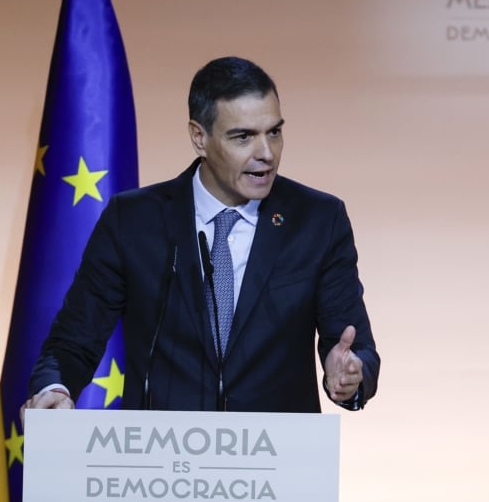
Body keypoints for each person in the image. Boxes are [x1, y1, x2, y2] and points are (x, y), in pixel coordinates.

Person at [25, 56, 379, 412]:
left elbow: (354, 347)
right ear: (199, 138)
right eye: (244, 137)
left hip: (275, 461)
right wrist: (55, 387)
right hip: (161, 458)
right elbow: (72, 341)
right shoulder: (133, 221)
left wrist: (351, 375)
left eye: (274, 132)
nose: (267, 154)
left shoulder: (318, 221)